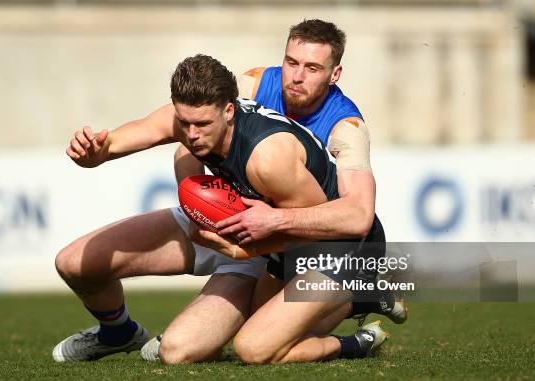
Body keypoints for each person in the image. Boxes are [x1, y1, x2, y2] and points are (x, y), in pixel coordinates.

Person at [52, 54, 388, 364]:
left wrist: (250, 248)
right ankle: (118, 333)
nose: (192, 135)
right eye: (184, 124)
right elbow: (134, 134)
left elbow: (320, 232)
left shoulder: (269, 159)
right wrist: (96, 153)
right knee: (76, 264)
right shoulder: (190, 119)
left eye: (201, 125)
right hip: (247, 229)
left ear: (229, 111)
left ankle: (357, 318)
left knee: (252, 348)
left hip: (320, 247)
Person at [142, 19, 406, 363]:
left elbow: (358, 215)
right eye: (291, 62)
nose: (296, 76)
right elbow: (191, 143)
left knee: (255, 347)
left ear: (335, 73)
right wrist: (200, 209)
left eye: (312, 68)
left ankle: (358, 323)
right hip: (275, 240)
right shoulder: (253, 84)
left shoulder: (347, 128)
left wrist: (274, 220)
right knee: (252, 331)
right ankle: (365, 300)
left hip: (330, 243)